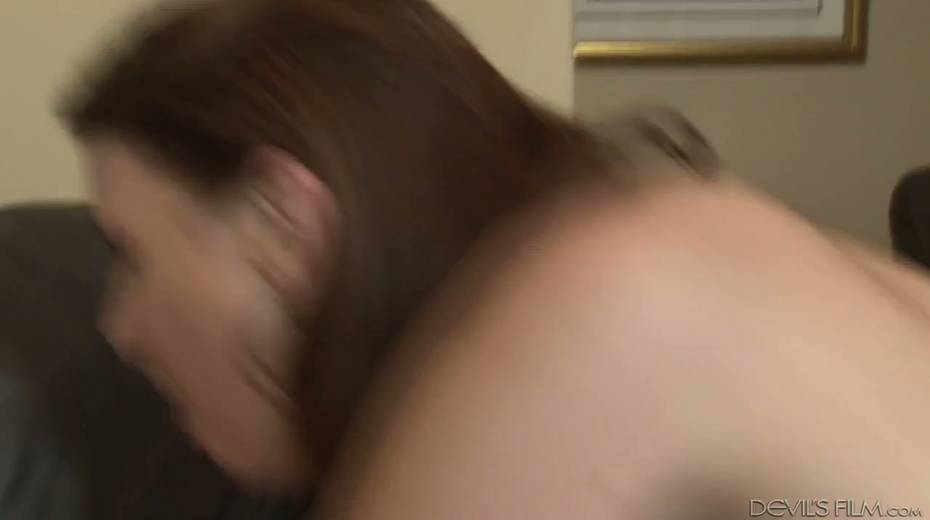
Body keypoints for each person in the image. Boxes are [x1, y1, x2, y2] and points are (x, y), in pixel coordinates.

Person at [60, 0, 930, 517]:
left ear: (282, 222)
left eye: (131, 253)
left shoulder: (602, 298)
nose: (120, 328)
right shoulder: (677, 241)